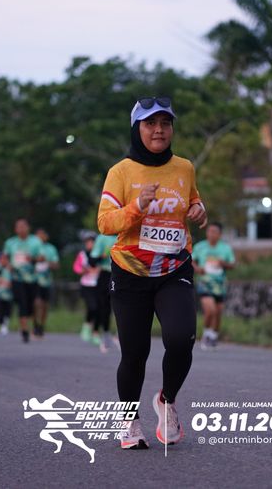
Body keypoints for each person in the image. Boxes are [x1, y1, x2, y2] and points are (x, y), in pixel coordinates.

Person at [97, 96, 207, 449]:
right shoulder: (121, 172)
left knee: (181, 339)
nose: (159, 130)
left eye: (165, 123)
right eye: (150, 123)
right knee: (135, 353)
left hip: (174, 268)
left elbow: (192, 199)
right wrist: (137, 206)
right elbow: (104, 223)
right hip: (130, 272)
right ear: (137, 128)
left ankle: (167, 400)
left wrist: (199, 209)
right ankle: (129, 421)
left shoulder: (184, 168)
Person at [192, 222, 235, 350]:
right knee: (211, 310)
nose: (211, 234)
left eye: (214, 232)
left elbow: (232, 264)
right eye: (209, 231)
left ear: (220, 234)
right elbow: (191, 260)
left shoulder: (225, 248)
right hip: (205, 282)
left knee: (218, 312)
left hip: (220, 284)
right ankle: (206, 335)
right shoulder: (200, 246)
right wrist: (197, 269)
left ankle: (213, 336)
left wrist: (223, 263)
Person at [3, 219, 44, 343]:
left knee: (35, 303)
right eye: (18, 227)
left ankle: (36, 324)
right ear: (15, 229)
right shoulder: (10, 242)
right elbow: (4, 258)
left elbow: (42, 257)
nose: (21, 229)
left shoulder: (35, 241)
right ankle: (25, 331)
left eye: (23, 226)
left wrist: (33, 258)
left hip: (32, 278)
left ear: (28, 228)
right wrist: (7, 265)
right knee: (22, 304)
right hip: (17, 278)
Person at [89, 233, 119, 353]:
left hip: (124, 275)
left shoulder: (126, 234)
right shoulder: (102, 238)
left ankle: (120, 336)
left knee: (123, 306)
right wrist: (103, 255)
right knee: (104, 307)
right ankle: (106, 335)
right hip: (106, 274)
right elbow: (92, 261)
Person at [33, 228, 59, 339]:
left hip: (47, 281)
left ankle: (41, 327)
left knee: (44, 306)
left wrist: (46, 261)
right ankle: (35, 325)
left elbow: (56, 265)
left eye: (42, 235)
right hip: (34, 280)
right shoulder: (32, 248)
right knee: (36, 303)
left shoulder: (51, 249)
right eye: (38, 235)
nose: (40, 238)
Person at [73, 232, 99, 344]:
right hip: (87, 284)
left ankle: (94, 332)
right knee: (92, 307)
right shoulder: (82, 254)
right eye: (88, 242)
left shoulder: (100, 254)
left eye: (92, 242)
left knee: (98, 309)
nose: (90, 244)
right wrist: (83, 271)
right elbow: (76, 267)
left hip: (98, 284)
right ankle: (86, 327)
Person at [0, 254, 13, 336]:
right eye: (1, 259)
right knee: (0, 310)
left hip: (8, 295)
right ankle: (1, 324)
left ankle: (5, 324)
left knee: (7, 311)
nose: (3, 261)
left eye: (5, 259)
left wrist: (10, 283)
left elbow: (13, 279)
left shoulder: (10, 269)